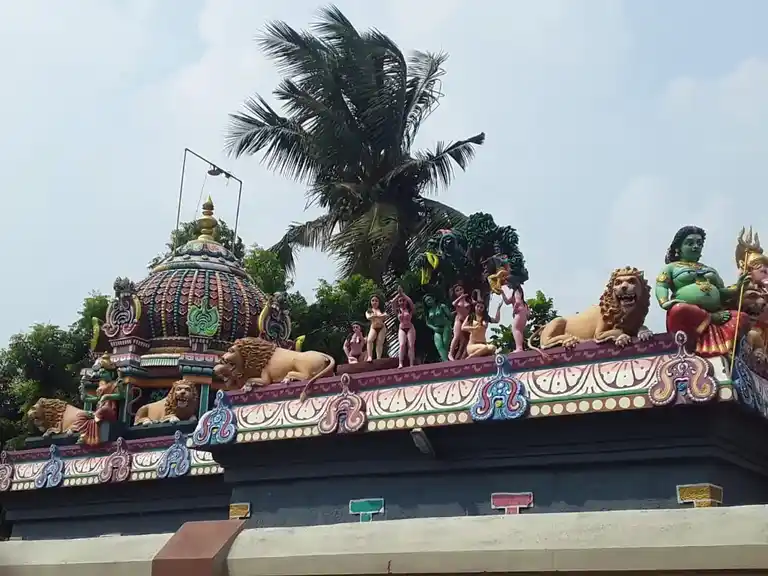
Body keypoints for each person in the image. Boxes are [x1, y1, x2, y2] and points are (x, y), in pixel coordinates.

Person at [656, 225, 749, 356]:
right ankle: (709, 319)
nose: (696, 246)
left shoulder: (709, 269)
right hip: (689, 316)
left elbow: (721, 293)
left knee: (742, 317)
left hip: (717, 312)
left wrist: (738, 287)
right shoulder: (671, 268)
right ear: (678, 248)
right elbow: (662, 286)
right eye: (690, 243)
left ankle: (724, 350)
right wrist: (664, 302)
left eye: (699, 243)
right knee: (679, 309)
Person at [462, 291, 503, 358]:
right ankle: (471, 357)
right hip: (472, 346)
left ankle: (479, 354)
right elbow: (463, 327)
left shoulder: (485, 317)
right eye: (478, 306)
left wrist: (498, 308)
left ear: (484, 309)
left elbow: (496, 320)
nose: (479, 309)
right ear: (475, 307)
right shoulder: (471, 316)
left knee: (493, 348)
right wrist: (473, 328)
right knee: (484, 348)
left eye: (481, 307)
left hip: (483, 344)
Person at [392, 287, 416, 368]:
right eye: (400, 301)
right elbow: (392, 303)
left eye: (403, 300)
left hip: (410, 328)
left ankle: (411, 363)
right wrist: (399, 295)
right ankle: (400, 363)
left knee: (411, 345)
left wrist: (403, 294)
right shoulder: (397, 310)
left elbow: (411, 302)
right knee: (402, 345)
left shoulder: (409, 309)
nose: (402, 302)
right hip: (401, 328)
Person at [449, 283, 471, 360]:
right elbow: (453, 304)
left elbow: (477, 302)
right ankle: (450, 353)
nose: (460, 291)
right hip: (459, 320)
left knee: (465, 341)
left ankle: (461, 357)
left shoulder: (468, 300)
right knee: (456, 336)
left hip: (467, 321)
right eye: (457, 290)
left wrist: (477, 293)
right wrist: (461, 297)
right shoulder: (457, 301)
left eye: (461, 289)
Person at [365, 295, 387, 361]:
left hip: (382, 327)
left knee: (379, 342)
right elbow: (368, 317)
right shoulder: (369, 311)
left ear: (379, 302)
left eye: (376, 301)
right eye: (373, 301)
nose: (374, 302)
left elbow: (385, 316)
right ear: (370, 302)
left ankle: (378, 358)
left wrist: (375, 316)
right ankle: (369, 356)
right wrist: (378, 316)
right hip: (373, 327)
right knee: (369, 340)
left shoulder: (381, 310)